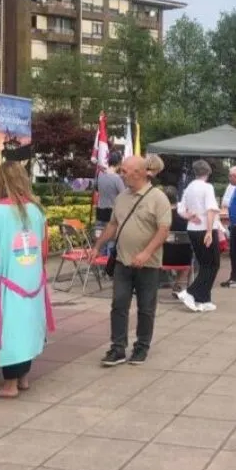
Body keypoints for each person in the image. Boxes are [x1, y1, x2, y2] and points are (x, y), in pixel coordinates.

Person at [0, 160, 54, 398]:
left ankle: (9, 385)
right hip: (32, 282)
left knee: (9, 330)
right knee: (28, 327)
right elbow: (44, 249)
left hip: (6, 283)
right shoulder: (37, 211)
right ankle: (24, 377)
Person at [92, 156, 171, 367]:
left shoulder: (158, 198)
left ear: (139, 172)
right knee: (118, 304)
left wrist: (146, 253)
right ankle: (117, 348)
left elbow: (163, 231)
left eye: (125, 171)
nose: (121, 174)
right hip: (122, 261)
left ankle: (141, 347)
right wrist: (98, 246)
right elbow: (113, 225)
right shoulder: (122, 197)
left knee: (146, 307)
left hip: (148, 264)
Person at [177, 160, 221, 312]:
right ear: (208, 172)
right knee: (213, 264)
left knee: (204, 264)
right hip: (205, 228)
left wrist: (189, 216)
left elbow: (180, 209)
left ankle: (204, 298)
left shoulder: (189, 188)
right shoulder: (207, 187)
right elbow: (210, 210)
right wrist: (209, 231)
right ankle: (191, 292)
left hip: (193, 228)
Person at [161, 186, 192, 298]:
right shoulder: (185, 218)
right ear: (177, 198)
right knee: (188, 258)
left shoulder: (159, 217)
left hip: (161, 258)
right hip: (183, 259)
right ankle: (178, 285)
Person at [95, 151, 125, 255]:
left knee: (101, 240)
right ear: (119, 163)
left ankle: (100, 268)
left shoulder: (100, 175)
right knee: (111, 241)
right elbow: (124, 195)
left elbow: (97, 189)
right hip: (112, 213)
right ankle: (108, 267)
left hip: (100, 211)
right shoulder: (117, 179)